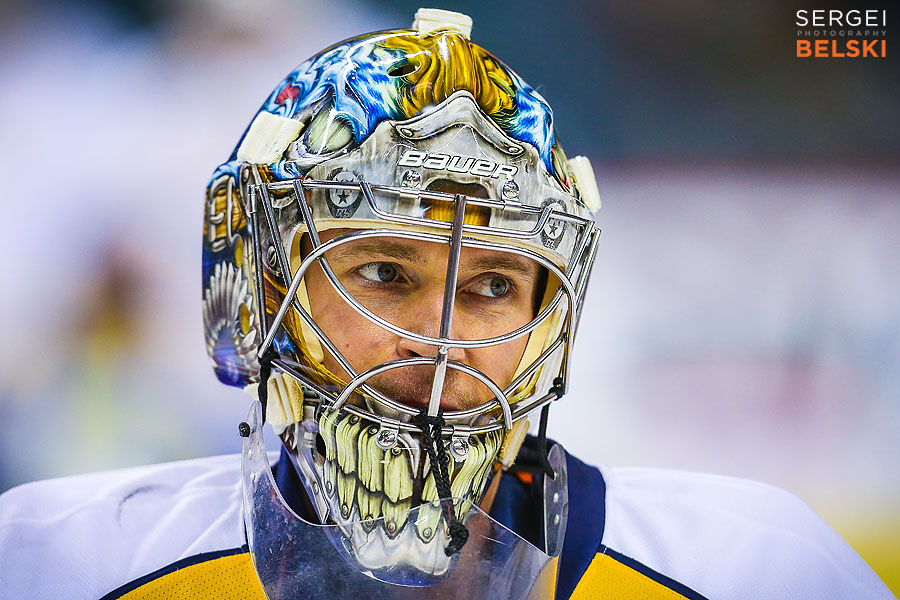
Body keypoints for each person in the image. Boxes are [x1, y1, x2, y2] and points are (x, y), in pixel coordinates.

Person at [0, 8, 893, 600]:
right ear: (258, 286)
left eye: (494, 286)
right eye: (385, 273)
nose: (436, 343)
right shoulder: (53, 564)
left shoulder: (757, 569)